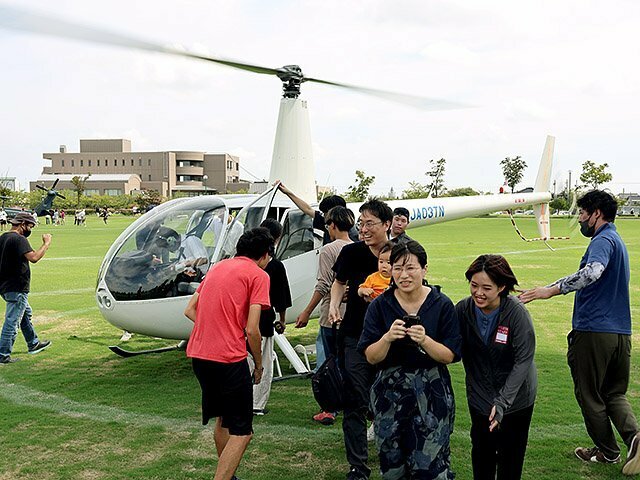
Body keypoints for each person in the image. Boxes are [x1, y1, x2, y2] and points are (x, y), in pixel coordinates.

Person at [520, 190, 640, 475]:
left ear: (596, 213)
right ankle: (635, 439)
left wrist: (551, 290)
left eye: (583, 213)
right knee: (614, 393)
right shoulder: (617, 240)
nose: (581, 219)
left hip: (594, 331)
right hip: (620, 332)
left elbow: (592, 272)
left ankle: (609, 452)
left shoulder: (602, 240)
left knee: (589, 395)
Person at [358, 241, 461, 479]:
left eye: (410, 268)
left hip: (431, 390)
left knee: (430, 466)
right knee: (392, 466)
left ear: (424, 269)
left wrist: (425, 340)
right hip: (389, 392)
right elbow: (371, 357)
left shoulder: (441, 304)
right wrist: (387, 338)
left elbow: (450, 355)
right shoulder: (380, 305)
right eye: (397, 268)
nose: (403, 275)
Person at [184, 227, 272, 480]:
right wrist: (258, 365)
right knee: (243, 431)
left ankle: (228, 475)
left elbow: (190, 310)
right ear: (265, 255)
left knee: (223, 420)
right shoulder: (258, 276)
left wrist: (216, 326)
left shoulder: (218, 267)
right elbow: (253, 330)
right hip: (228, 360)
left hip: (200, 357)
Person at [329, 198, 393, 480]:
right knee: (355, 399)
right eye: (361, 223)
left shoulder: (403, 254)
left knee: (390, 398)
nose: (363, 229)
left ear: (387, 225)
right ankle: (358, 466)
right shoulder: (351, 253)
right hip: (355, 335)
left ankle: (395, 455)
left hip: (393, 338)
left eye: (370, 223)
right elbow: (339, 282)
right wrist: (333, 304)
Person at [456, 254, 537, 480]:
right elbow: (449, 344)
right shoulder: (463, 310)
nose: (478, 293)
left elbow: (523, 360)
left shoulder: (516, 313)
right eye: (473, 285)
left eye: (486, 288)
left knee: (510, 459)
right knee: (482, 456)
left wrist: (503, 402)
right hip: (480, 397)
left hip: (517, 399)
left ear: (501, 287)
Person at [295, 205, 355, 425]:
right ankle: (351, 405)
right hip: (353, 316)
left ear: (333, 225)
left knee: (328, 363)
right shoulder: (357, 248)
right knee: (348, 362)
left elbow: (324, 284)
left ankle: (329, 408)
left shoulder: (329, 250)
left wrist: (307, 311)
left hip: (332, 315)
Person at [250, 218, 292, 415]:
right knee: (264, 362)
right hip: (264, 318)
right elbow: (281, 296)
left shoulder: (245, 264)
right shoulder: (275, 266)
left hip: (242, 318)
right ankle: (256, 403)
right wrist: (282, 320)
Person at [0, 211, 52, 364]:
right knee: (13, 320)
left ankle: (33, 342)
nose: (31, 229)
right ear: (22, 225)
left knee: (25, 313)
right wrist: (46, 243)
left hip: (5, 286)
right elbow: (34, 257)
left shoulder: (3, 237)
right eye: (30, 226)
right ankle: (3, 354)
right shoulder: (19, 239)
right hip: (17, 286)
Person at [277, 182, 359, 244]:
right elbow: (307, 209)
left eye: (325, 213)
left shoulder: (353, 236)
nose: (324, 216)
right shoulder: (327, 222)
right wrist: (288, 193)